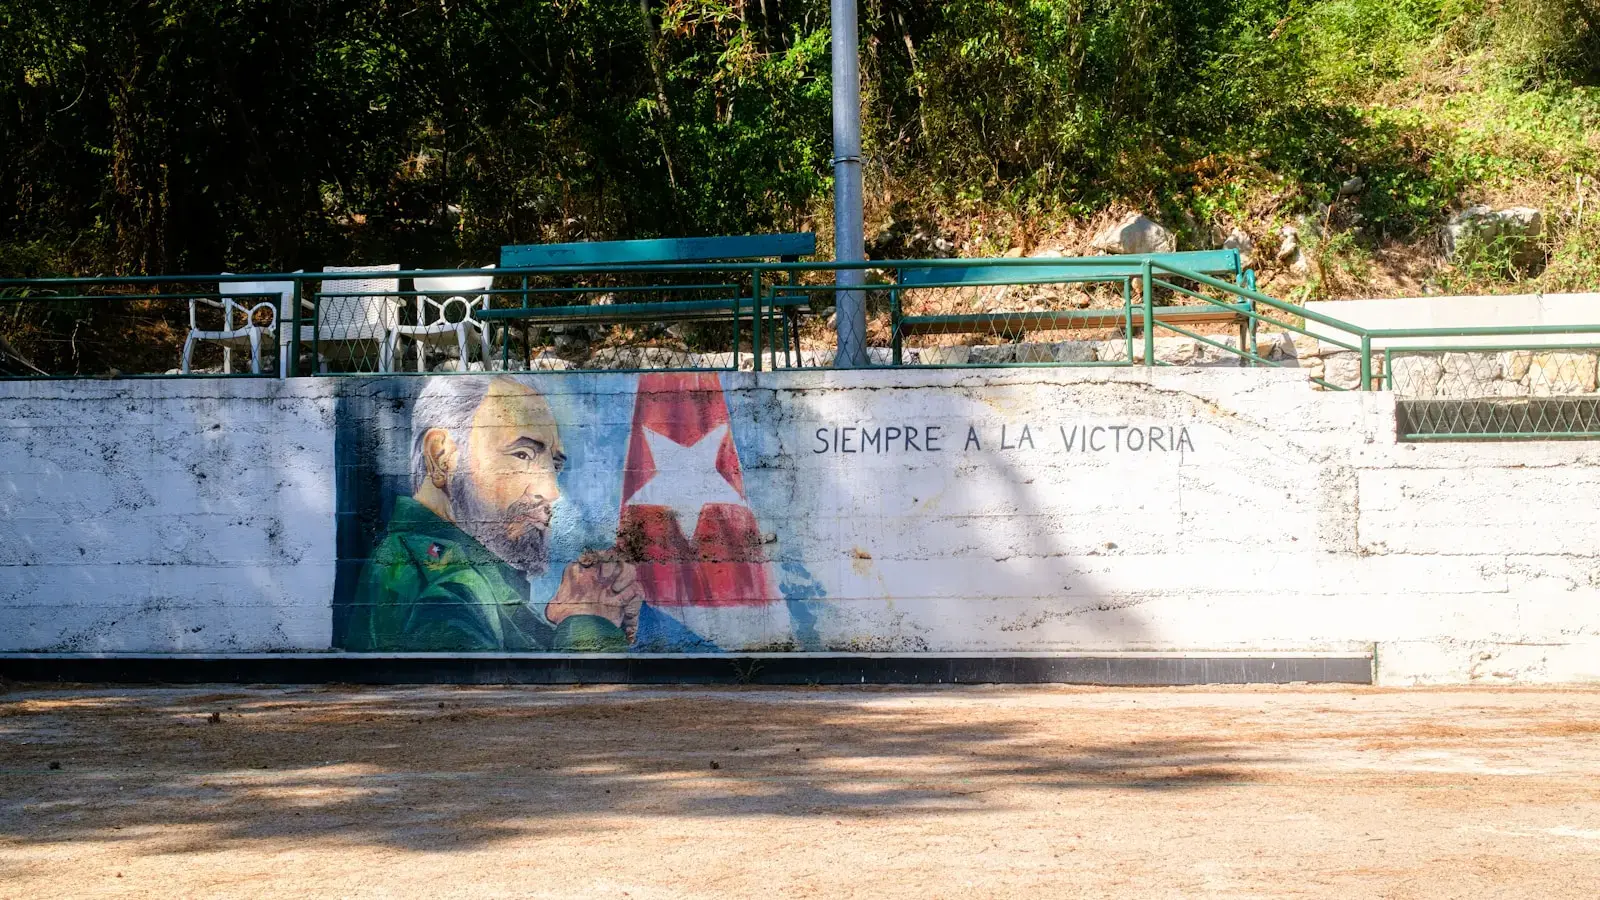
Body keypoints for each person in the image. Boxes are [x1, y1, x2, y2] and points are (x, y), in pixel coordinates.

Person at [344, 376, 643, 651]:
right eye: (522, 455)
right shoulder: (449, 589)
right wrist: (585, 620)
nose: (552, 491)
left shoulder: (464, 574)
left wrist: (588, 611)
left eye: (555, 465)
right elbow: (553, 705)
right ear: (441, 457)